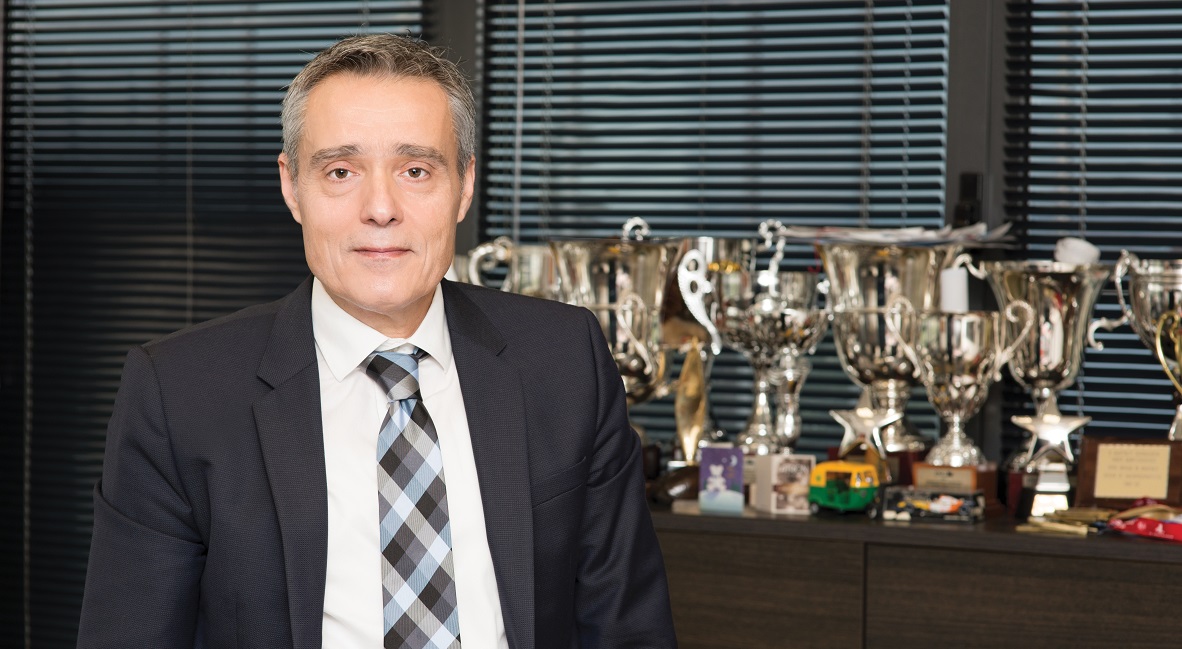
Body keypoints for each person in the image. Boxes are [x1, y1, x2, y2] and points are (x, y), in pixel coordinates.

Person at [77, 33, 676, 649]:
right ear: (292, 188)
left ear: (465, 185)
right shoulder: (179, 392)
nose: (381, 208)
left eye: (416, 170)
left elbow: (627, 628)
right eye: (341, 171)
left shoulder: (565, 358)